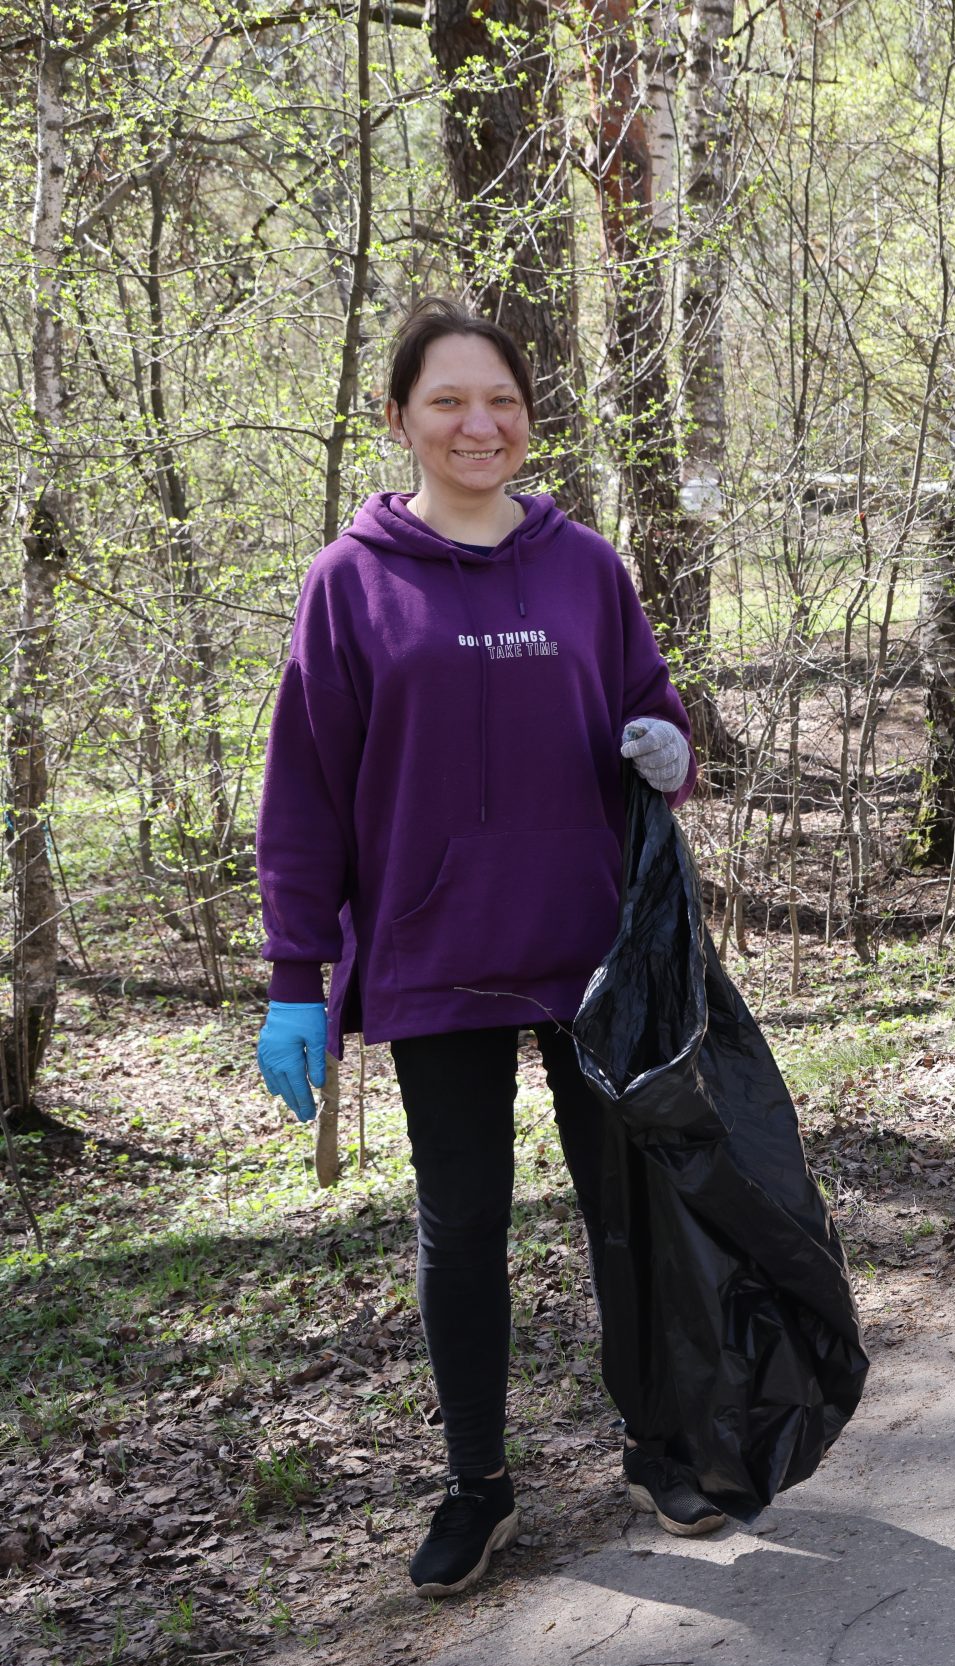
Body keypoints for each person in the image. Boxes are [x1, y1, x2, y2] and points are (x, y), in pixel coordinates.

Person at [253, 299, 711, 1599]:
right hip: (430, 952)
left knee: (622, 1215)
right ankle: (479, 1488)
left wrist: (664, 751)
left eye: (499, 400)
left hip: (590, 953)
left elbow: (647, 705)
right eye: (447, 401)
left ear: (528, 416)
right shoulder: (349, 585)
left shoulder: (585, 567)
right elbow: (306, 794)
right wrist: (297, 977)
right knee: (464, 1229)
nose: (478, 423)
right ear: (398, 419)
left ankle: (659, 1443)